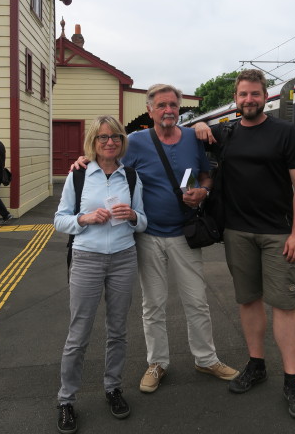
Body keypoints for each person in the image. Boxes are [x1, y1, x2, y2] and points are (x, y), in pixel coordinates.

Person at [74, 84, 238, 395]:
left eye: (173, 105)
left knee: (197, 302)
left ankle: (206, 358)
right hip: (147, 235)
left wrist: (203, 190)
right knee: (154, 305)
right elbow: (107, 161)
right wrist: (83, 162)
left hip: (185, 233)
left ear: (180, 108)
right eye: (161, 105)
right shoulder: (134, 142)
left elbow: (205, 175)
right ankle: (157, 362)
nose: (168, 110)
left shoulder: (192, 138)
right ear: (150, 111)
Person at [193, 69, 295, 419]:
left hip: (278, 233)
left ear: (266, 97)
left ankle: (292, 379)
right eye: (243, 95)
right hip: (237, 232)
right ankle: (256, 364)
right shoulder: (224, 132)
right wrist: (196, 129)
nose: (249, 100)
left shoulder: (286, 133)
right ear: (236, 98)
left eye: (255, 94)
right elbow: (169, 133)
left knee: (285, 305)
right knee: (248, 300)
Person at [54, 116, 147, 434]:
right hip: (87, 259)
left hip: (123, 258)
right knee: (78, 334)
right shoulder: (79, 175)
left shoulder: (131, 177)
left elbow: (144, 220)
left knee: (118, 330)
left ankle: (113, 388)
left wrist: (133, 215)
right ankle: (66, 400)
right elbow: (59, 220)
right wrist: (85, 218)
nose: (110, 142)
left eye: (116, 137)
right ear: (93, 142)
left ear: (123, 142)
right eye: (103, 137)